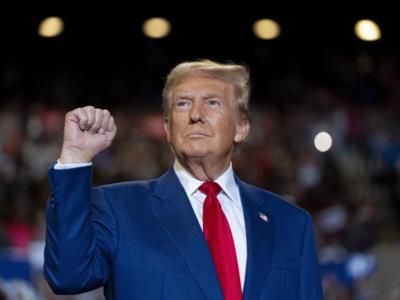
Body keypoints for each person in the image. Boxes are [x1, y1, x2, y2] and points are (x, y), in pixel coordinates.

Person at [44, 59, 323, 299]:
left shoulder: (290, 223)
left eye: (212, 102)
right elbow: (68, 276)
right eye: (182, 104)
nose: (195, 115)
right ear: (167, 128)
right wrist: (75, 157)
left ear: (241, 127)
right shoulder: (118, 209)